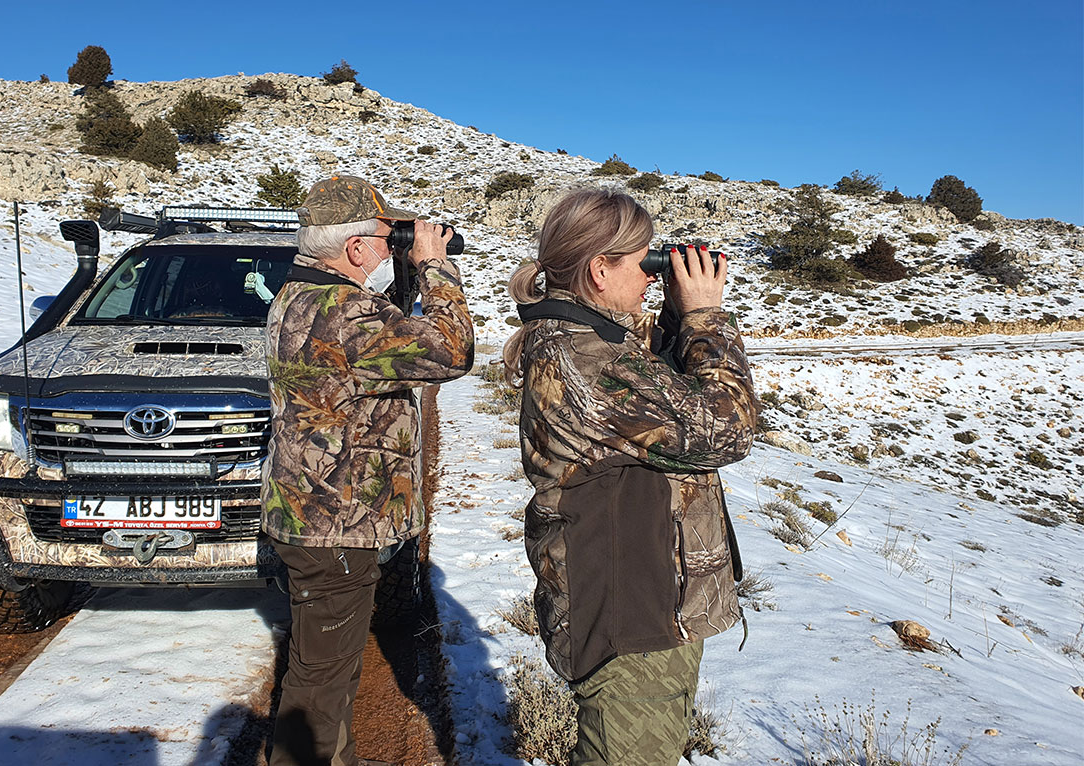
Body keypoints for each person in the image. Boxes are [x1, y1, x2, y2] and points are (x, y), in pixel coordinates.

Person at [502, 188, 757, 766]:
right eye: (644, 262)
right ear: (599, 269)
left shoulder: (586, 339)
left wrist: (674, 316)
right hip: (630, 613)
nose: (651, 276)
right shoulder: (589, 357)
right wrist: (706, 317)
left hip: (640, 601)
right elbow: (727, 429)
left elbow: (661, 388)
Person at [262, 175, 474, 766]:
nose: (391, 249)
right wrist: (433, 266)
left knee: (325, 673)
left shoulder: (299, 297)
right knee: (320, 683)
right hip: (336, 522)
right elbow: (453, 351)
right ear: (355, 248)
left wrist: (402, 269)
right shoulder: (348, 312)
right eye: (386, 239)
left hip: (308, 510)